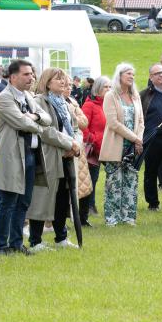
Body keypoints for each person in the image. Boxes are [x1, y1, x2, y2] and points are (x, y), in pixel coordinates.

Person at [0, 60, 52, 255]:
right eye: (26, 74)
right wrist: (36, 122)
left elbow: (46, 118)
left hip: (29, 155)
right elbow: (21, 123)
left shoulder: (27, 96)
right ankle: (1, 246)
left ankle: (16, 243)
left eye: (32, 74)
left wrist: (33, 117)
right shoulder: (4, 98)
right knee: (8, 202)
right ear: (13, 77)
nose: (31, 78)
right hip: (12, 157)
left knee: (24, 203)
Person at [25, 68, 81, 251]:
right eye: (58, 79)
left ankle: (61, 237)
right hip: (48, 156)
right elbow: (45, 130)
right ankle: (35, 240)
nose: (63, 82)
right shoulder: (39, 101)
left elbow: (75, 127)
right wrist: (69, 143)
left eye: (64, 79)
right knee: (42, 198)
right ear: (47, 82)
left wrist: (75, 144)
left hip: (67, 156)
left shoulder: (64, 102)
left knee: (63, 198)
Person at [99, 63, 144, 226]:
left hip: (133, 146)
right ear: (119, 76)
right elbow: (113, 123)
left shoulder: (135, 96)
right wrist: (135, 138)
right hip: (116, 145)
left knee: (131, 180)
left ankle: (128, 216)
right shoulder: (111, 95)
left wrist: (138, 139)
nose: (131, 77)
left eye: (133, 74)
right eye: (128, 74)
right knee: (114, 183)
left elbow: (141, 121)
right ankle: (112, 218)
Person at [139, 64, 162, 212]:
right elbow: (140, 117)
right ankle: (153, 203)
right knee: (151, 172)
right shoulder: (144, 95)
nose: (161, 75)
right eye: (157, 73)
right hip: (152, 140)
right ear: (151, 77)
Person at [62, 75, 93, 229]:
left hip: (78, 147)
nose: (68, 88)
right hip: (65, 147)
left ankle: (80, 218)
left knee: (83, 186)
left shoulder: (73, 102)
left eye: (70, 85)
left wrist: (73, 115)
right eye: (65, 85)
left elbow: (84, 122)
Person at [82, 76, 111, 216]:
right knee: (90, 179)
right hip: (93, 149)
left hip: (105, 147)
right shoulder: (89, 105)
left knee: (97, 178)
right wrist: (93, 139)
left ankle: (92, 205)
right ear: (97, 89)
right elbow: (83, 127)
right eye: (106, 87)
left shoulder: (109, 105)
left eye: (110, 87)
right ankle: (88, 207)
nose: (109, 89)